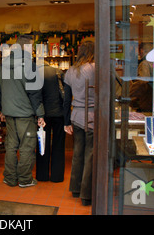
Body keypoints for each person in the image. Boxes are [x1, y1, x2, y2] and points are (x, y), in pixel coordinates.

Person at [0, 47, 45, 188]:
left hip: (9, 114)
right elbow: (34, 93)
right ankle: (25, 179)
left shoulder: (3, 67)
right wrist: (40, 114)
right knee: (27, 146)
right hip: (25, 114)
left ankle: (10, 178)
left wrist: (2, 109)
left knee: (11, 146)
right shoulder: (29, 67)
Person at [64, 40, 95, 206]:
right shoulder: (96, 68)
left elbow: (67, 99)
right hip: (93, 116)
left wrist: (66, 121)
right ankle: (86, 194)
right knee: (90, 154)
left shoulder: (70, 71)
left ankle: (75, 188)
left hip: (76, 115)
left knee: (77, 152)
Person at [36, 61, 67, 182]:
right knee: (59, 145)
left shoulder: (36, 73)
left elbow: (36, 96)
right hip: (59, 113)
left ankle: (42, 175)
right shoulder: (58, 72)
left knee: (42, 144)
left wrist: (39, 114)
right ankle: (57, 176)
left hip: (43, 114)